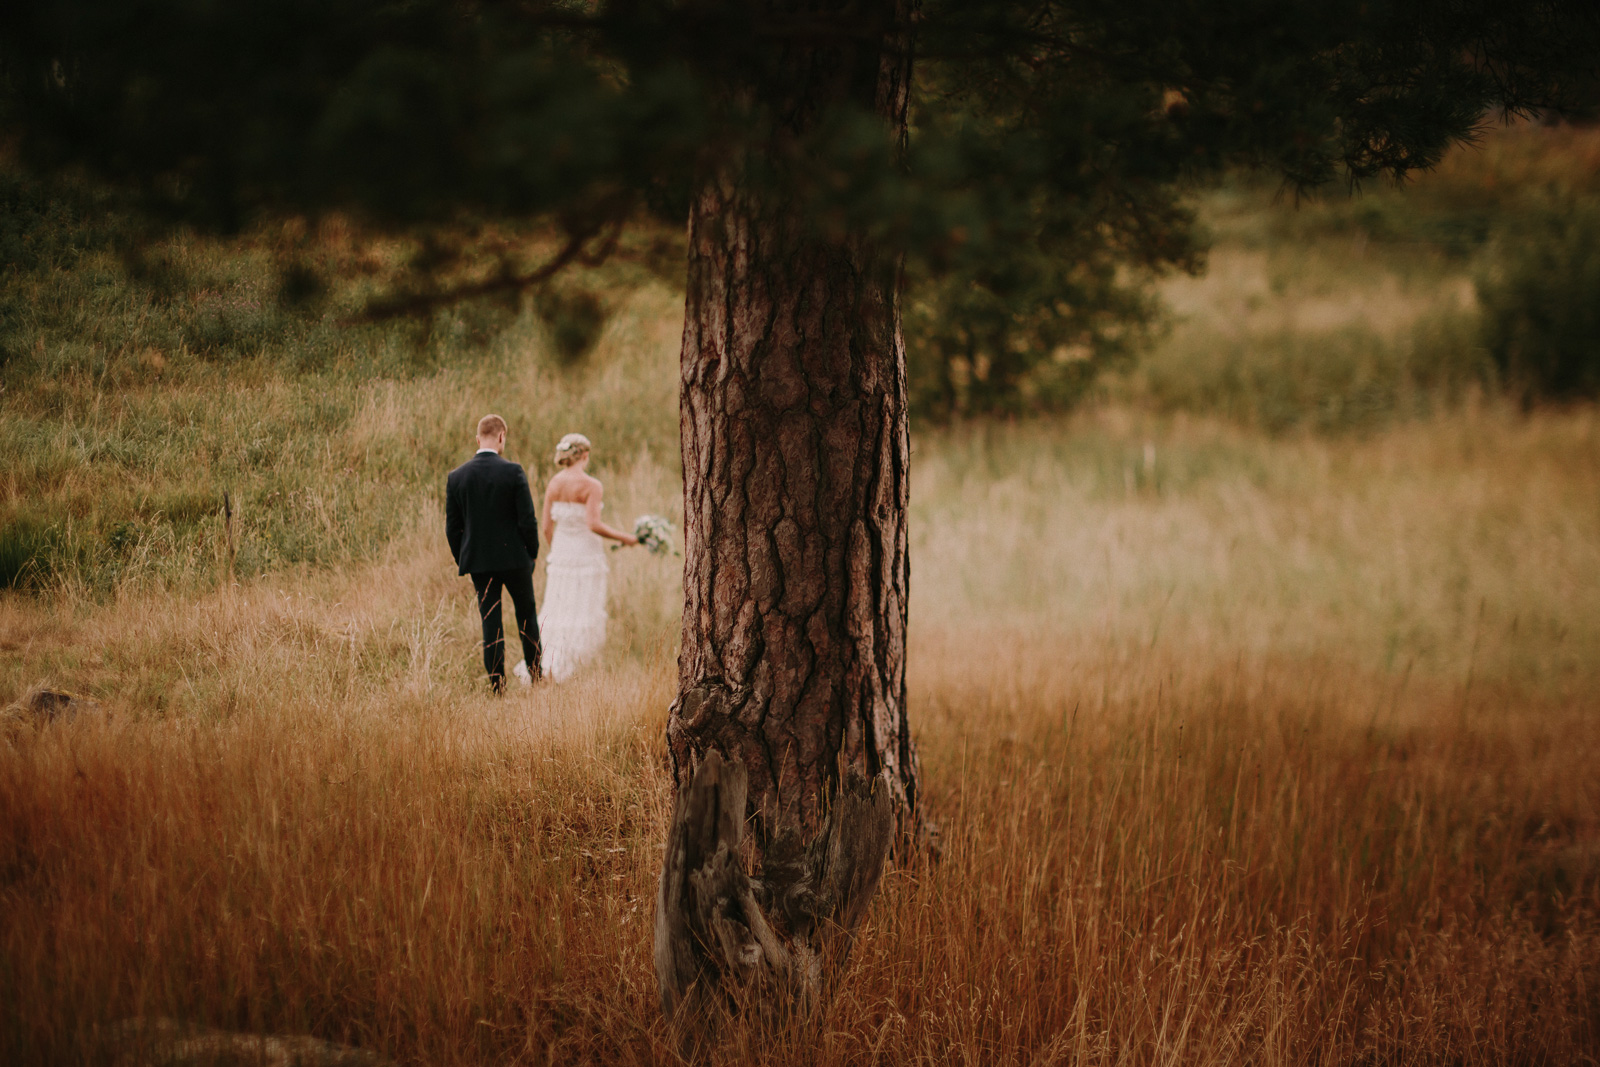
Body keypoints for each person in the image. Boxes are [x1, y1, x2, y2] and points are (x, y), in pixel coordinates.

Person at [445, 414, 542, 693]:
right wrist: (531, 554)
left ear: (478, 439)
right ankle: (536, 677)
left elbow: (452, 529)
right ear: (502, 437)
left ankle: (497, 686)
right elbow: (528, 520)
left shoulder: (457, 476)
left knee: (491, 622)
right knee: (527, 617)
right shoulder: (513, 472)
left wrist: (464, 558)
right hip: (515, 561)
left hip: (480, 564)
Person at [538, 433, 638, 680]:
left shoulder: (554, 483)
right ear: (585, 456)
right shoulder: (592, 485)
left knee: (559, 605)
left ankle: (548, 661)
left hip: (561, 553)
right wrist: (624, 537)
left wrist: (557, 551)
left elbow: (546, 527)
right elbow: (593, 524)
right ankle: (578, 662)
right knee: (582, 604)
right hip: (585, 553)